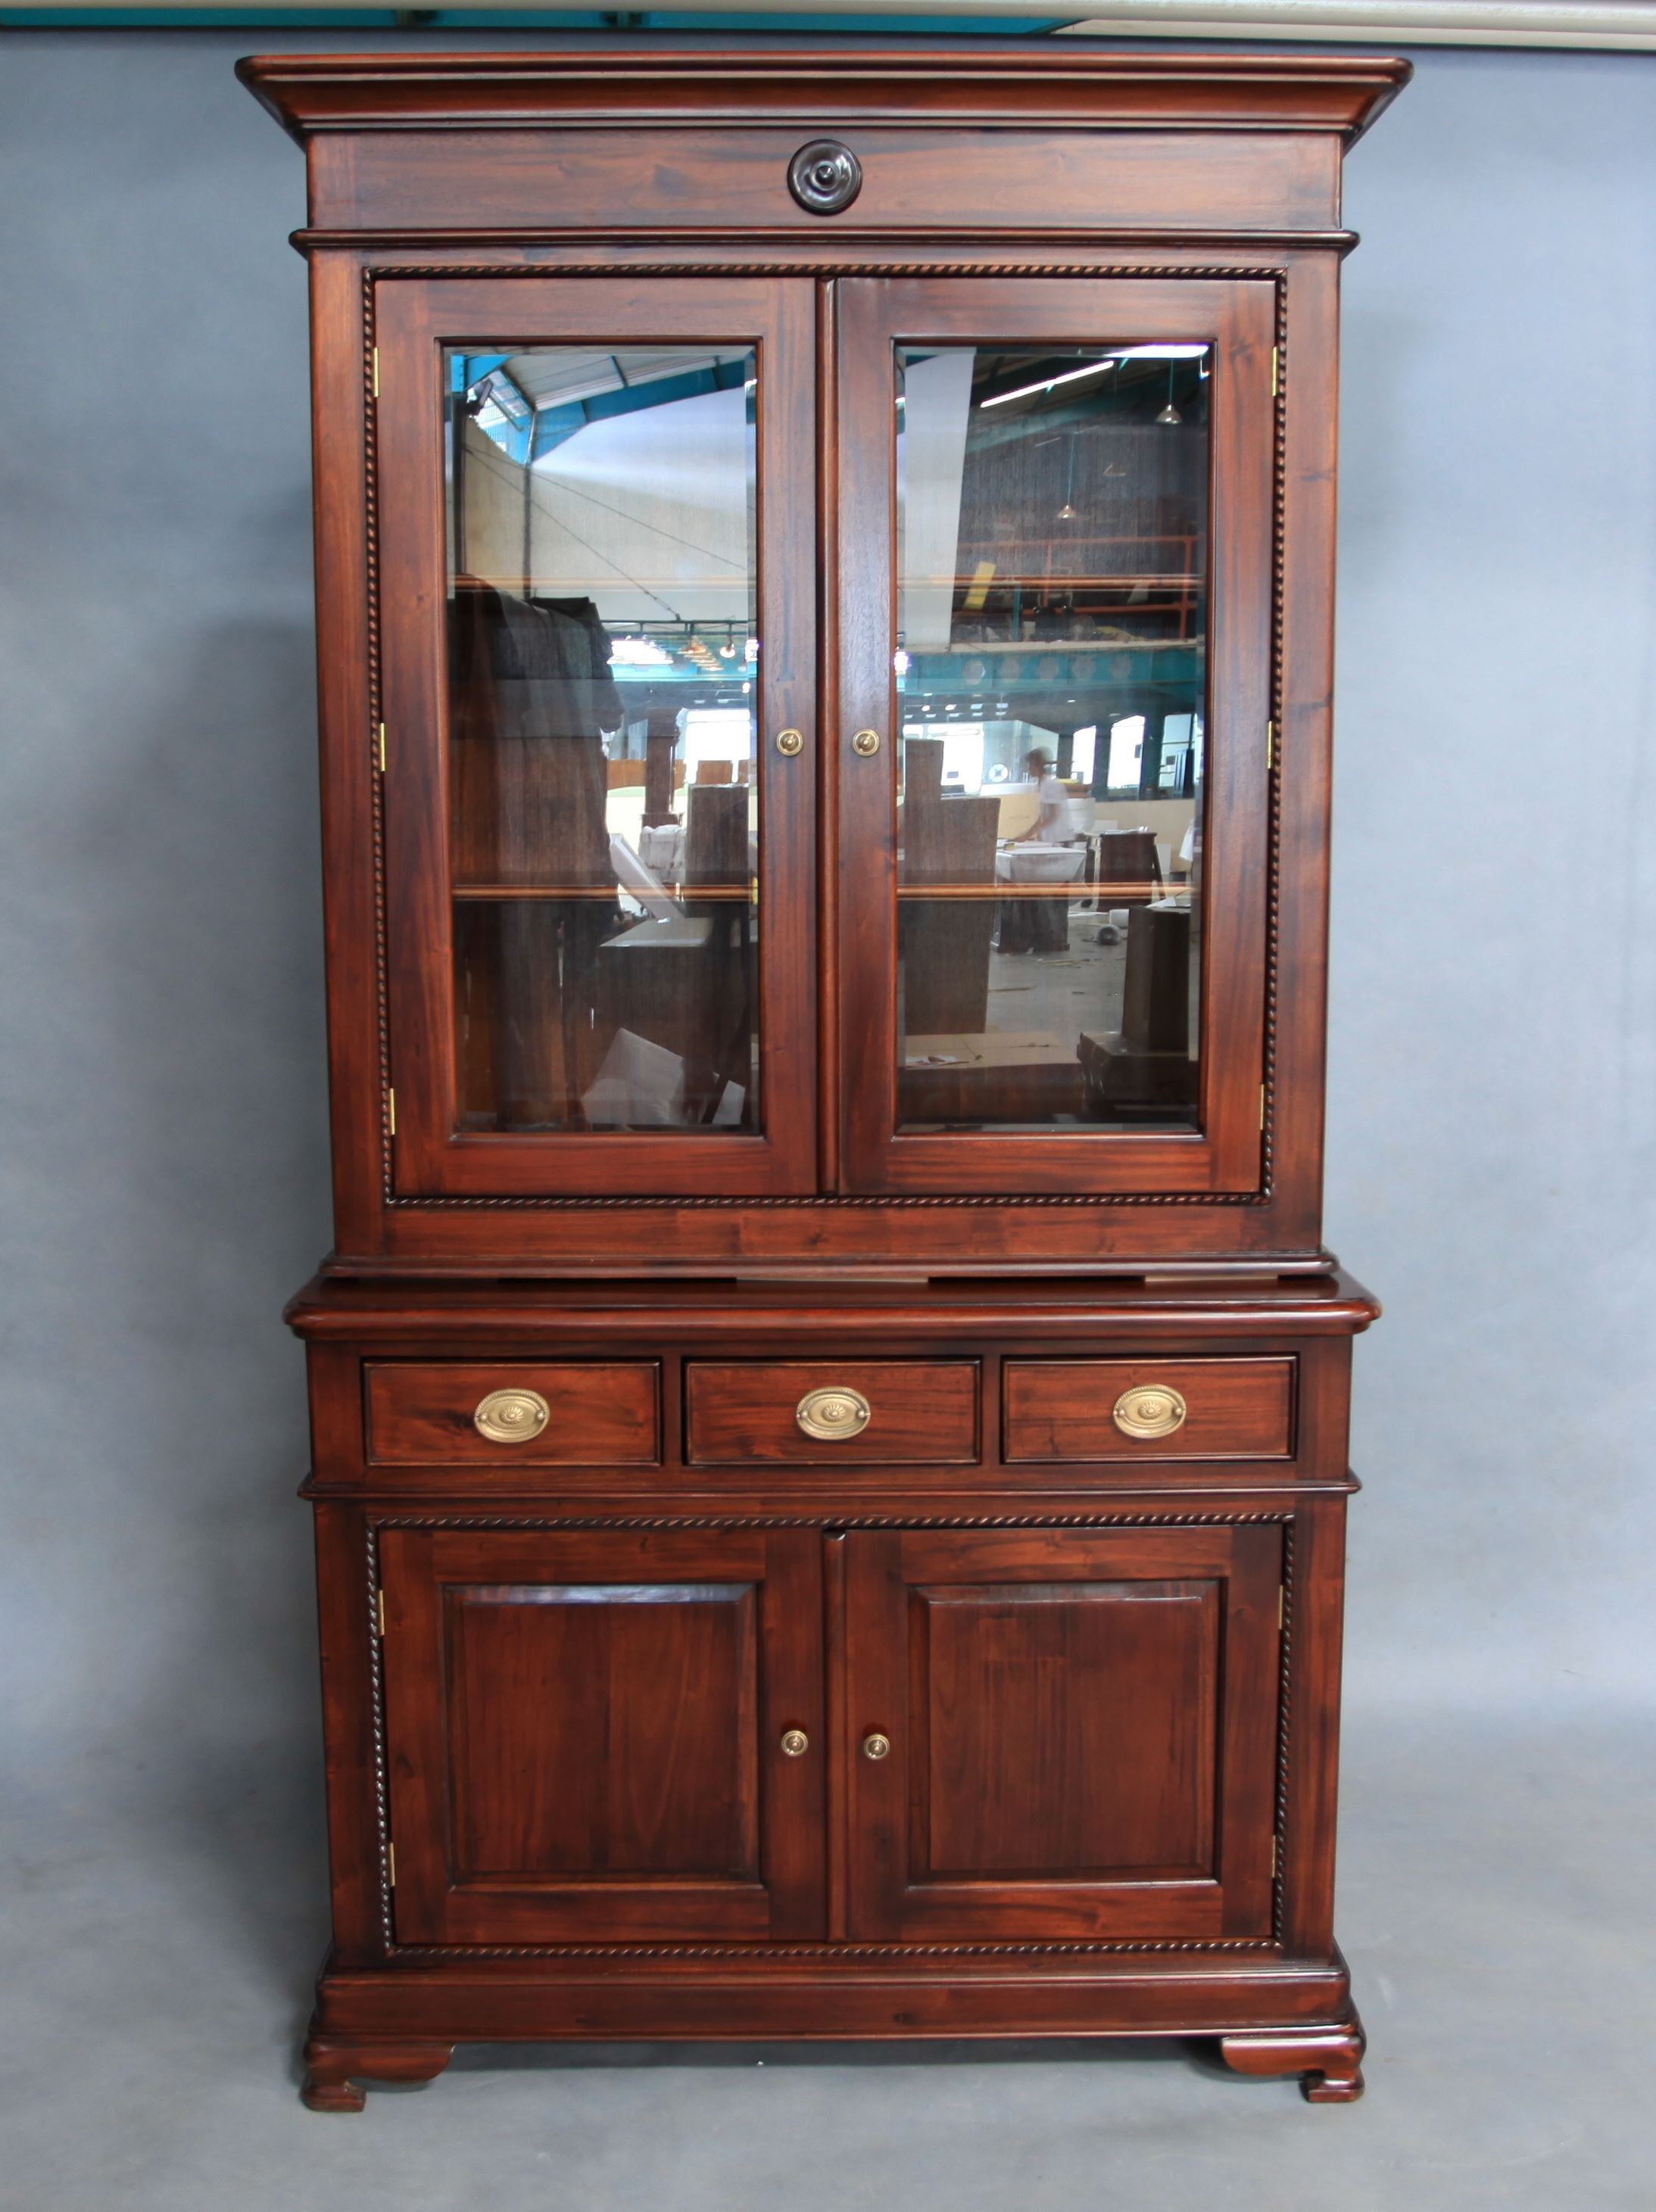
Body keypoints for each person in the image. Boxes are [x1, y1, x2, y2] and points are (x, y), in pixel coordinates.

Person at [997, 748, 1077, 955]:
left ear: (1037, 765)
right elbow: (1042, 817)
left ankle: (1052, 936)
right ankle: (1037, 933)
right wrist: (1029, 834)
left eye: (1030, 765)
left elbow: (1052, 816)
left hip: (1059, 839)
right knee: (1038, 889)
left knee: (1053, 890)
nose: (1028, 769)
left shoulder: (1052, 785)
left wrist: (1030, 834)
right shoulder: (1040, 786)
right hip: (1049, 839)